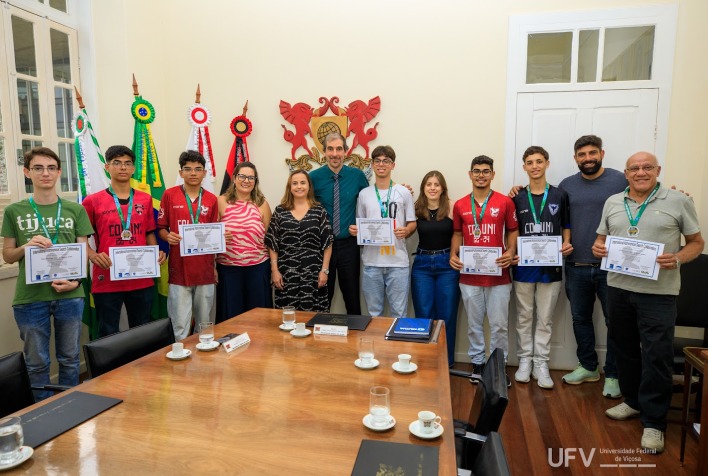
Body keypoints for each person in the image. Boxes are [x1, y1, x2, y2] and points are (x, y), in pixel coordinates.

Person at [592, 151, 703, 453]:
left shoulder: (678, 201)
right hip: (617, 289)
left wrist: (678, 258)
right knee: (624, 349)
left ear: (657, 170)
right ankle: (632, 401)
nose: (641, 172)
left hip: (659, 294)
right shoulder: (613, 202)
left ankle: (654, 422)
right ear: (626, 173)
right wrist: (598, 247)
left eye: (647, 167)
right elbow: (601, 240)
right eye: (634, 168)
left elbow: (696, 243)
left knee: (656, 355)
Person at [2, 147, 94, 400]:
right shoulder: (14, 211)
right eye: (38, 168)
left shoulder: (75, 210)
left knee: (70, 359)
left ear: (59, 172)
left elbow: (83, 252)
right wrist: (25, 246)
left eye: (51, 168)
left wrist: (75, 281)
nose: (45, 173)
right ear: (27, 172)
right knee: (36, 363)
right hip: (30, 299)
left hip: (70, 294)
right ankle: (41, 413)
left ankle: (69, 407)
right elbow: (8, 255)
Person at [557, 135, 628, 398]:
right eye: (582, 154)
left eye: (592, 153)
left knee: (616, 322)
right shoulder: (566, 185)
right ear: (575, 158)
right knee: (580, 319)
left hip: (613, 266)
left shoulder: (620, 180)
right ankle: (588, 366)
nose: (588, 158)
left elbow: (647, 198)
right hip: (576, 264)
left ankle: (613, 374)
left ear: (602, 153)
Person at [82, 145, 166, 338]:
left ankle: (142, 368)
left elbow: (149, 233)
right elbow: (81, 240)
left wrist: (155, 252)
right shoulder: (92, 201)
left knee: (142, 330)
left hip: (141, 277)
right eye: (117, 163)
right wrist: (93, 255)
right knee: (108, 332)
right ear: (107, 167)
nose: (123, 167)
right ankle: (112, 370)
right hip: (107, 276)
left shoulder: (145, 199)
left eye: (128, 163)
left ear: (133, 168)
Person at [450, 155, 518, 385]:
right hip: (469, 275)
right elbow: (458, 233)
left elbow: (513, 230)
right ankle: (478, 363)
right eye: (476, 171)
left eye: (485, 171)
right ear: (470, 174)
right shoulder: (460, 204)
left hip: (499, 275)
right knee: (474, 324)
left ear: (492, 174)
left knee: (499, 325)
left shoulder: (504, 202)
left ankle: (498, 367)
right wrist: (453, 254)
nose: (481, 175)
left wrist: (510, 251)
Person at [511, 146, 572, 389]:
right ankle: (525, 360)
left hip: (551, 267)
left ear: (547, 163)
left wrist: (566, 242)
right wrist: (512, 252)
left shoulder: (560, 195)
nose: (534, 166)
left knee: (545, 318)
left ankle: (541, 363)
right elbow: (512, 231)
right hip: (524, 267)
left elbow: (566, 224)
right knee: (524, 316)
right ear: (524, 167)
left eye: (539, 161)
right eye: (529, 162)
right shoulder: (516, 197)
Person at [158, 150, 219, 341]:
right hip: (178, 270)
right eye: (188, 169)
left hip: (204, 270)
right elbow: (161, 227)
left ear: (204, 173)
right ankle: (180, 363)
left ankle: (203, 365)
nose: (193, 173)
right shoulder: (169, 195)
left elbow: (213, 234)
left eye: (198, 169)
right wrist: (168, 237)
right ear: (181, 172)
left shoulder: (211, 199)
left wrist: (221, 237)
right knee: (180, 325)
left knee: (204, 325)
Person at [349, 145, 416, 318]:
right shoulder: (364, 194)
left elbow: (412, 222)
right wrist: (357, 231)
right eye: (377, 161)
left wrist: (407, 230)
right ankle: (376, 346)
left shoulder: (403, 192)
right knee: (374, 314)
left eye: (386, 161)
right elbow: (361, 223)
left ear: (393, 165)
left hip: (398, 264)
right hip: (372, 263)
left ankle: (396, 346)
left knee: (399, 313)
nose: (381, 164)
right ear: (372, 164)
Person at [310, 133, 369, 314]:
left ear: (345, 151)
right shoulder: (314, 177)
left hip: (348, 246)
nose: (334, 154)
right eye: (330, 149)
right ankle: (319, 340)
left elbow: (373, 201)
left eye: (338, 149)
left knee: (352, 298)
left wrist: (400, 189)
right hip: (321, 247)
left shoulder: (357, 176)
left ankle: (354, 340)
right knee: (322, 298)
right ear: (324, 151)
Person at [411, 171, 460, 367]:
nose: (432, 188)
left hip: (447, 265)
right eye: (429, 184)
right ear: (423, 188)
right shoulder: (415, 208)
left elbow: (460, 234)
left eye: (436, 184)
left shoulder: (452, 207)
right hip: (422, 265)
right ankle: (426, 360)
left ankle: (444, 363)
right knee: (423, 315)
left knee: (446, 316)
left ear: (442, 188)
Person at [265, 170, 333, 311]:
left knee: (314, 317)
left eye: (303, 182)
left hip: (314, 272)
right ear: (290, 187)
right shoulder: (280, 211)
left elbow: (327, 243)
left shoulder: (319, 211)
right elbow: (272, 243)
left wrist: (324, 271)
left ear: (309, 186)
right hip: (287, 272)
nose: (299, 186)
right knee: (287, 318)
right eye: (295, 183)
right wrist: (274, 270)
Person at [216, 161, 272, 322]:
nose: (246, 181)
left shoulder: (262, 204)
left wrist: (274, 268)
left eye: (251, 178)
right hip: (228, 270)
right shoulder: (220, 201)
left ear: (255, 182)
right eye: (242, 176)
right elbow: (210, 236)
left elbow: (270, 239)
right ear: (234, 178)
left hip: (258, 268)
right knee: (231, 317)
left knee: (259, 318)